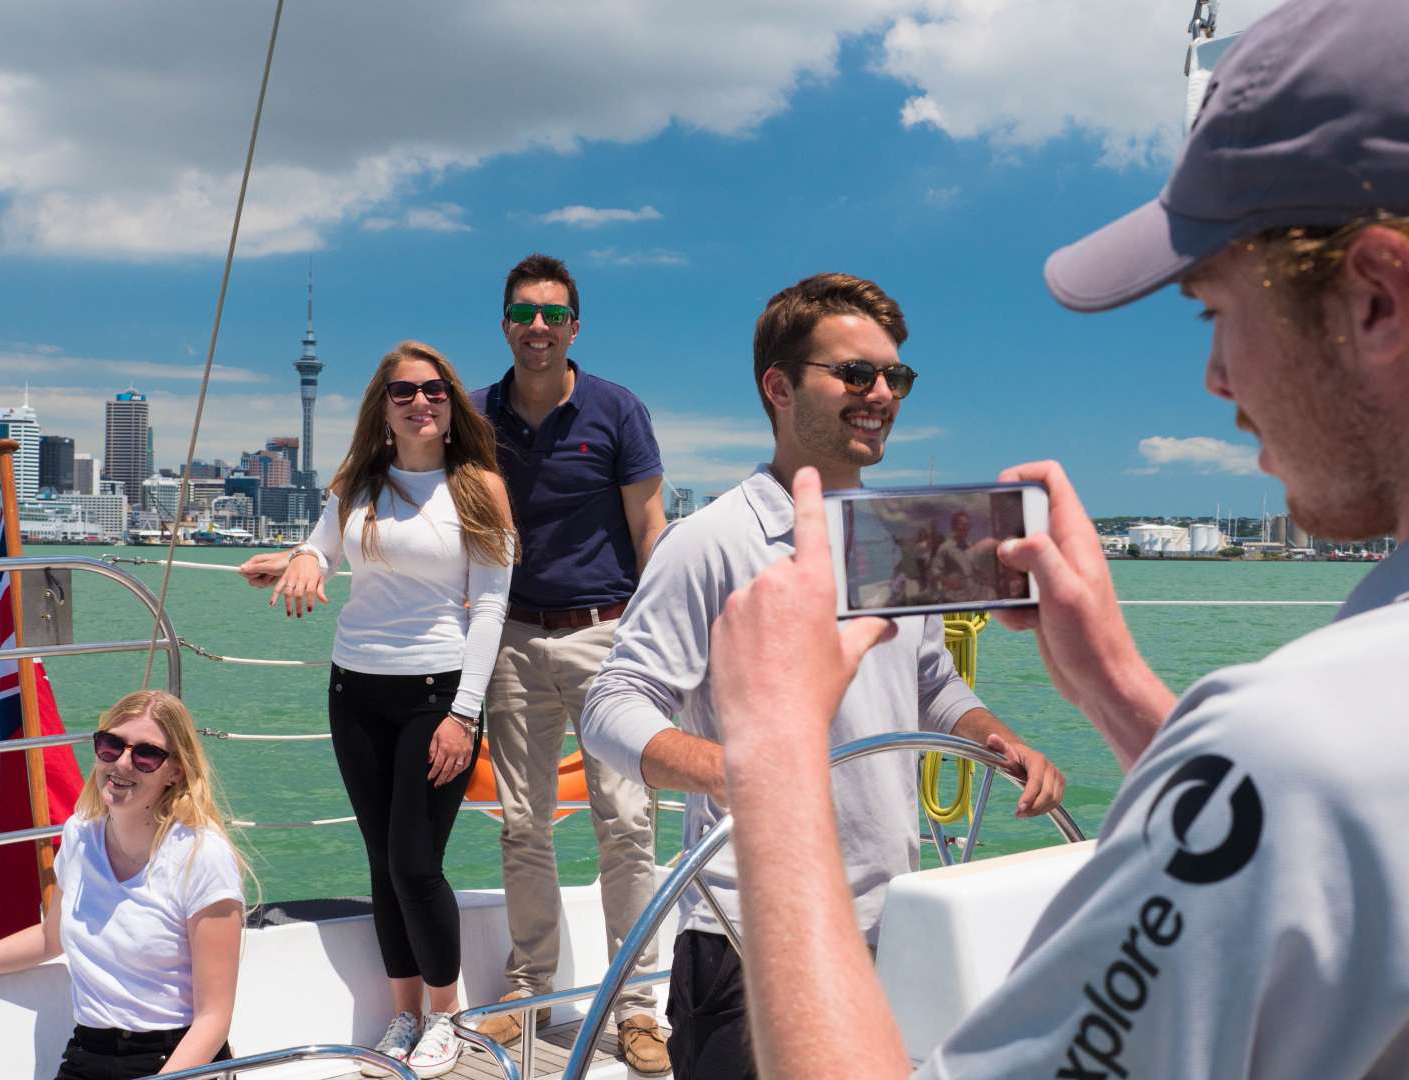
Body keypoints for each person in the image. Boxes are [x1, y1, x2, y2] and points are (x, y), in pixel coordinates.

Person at [709, 1, 1409, 1076]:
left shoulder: (1290, 750)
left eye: (1215, 311)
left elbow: (1283, 796)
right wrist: (1120, 685)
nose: (1217, 378)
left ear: (1377, 302)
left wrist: (773, 758)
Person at [579, 271, 1066, 1079]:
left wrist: (995, 738)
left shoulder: (897, 542)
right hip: (746, 927)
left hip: (891, 919)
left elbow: (932, 685)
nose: (881, 393)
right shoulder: (710, 542)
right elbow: (611, 704)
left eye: (894, 377)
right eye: (855, 374)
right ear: (778, 386)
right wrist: (736, 770)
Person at [264, 340, 515, 1078]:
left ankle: (448, 1015)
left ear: (451, 400)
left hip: (437, 694)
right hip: (355, 689)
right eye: (403, 392)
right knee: (380, 861)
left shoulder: (479, 488)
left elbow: (493, 606)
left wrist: (464, 714)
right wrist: (302, 561)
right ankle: (404, 1013)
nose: (420, 403)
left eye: (434, 390)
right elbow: (320, 551)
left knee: (415, 862)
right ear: (384, 404)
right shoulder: (357, 481)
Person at [467, 253, 671, 1074]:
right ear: (505, 323)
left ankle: (636, 1009)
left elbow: (652, 528)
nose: (538, 327)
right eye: (523, 312)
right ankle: (528, 996)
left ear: (575, 326)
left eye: (553, 314)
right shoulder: (476, 416)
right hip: (512, 636)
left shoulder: (617, 411)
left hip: (608, 635)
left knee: (626, 825)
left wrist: (662, 649)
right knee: (522, 828)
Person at [0, 690, 247, 1079]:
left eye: (146, 755)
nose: (122, 763)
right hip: (88, 1052)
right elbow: (52, 938)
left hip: (176, 1060)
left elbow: (213, 1017)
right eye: (110, 745)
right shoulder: (80, 836)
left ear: (175, 771)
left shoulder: (201, 856)